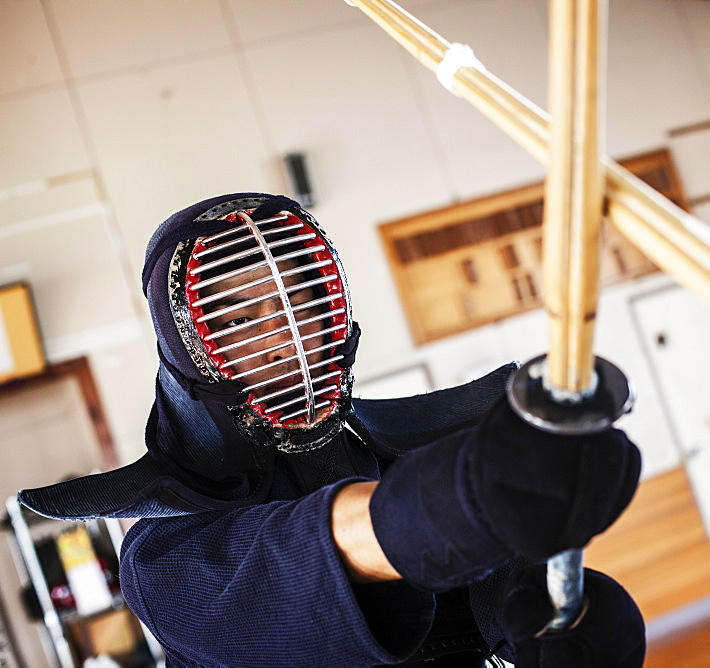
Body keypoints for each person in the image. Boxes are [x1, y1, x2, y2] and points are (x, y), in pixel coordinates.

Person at [19, 193, 646, 667]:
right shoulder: (168, 561)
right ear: (187, 348)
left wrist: (564, 621)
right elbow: (308, 550)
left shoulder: (412, 453)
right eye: (238, 316)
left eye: (297, 300)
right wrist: (449, 504)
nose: (281, 333)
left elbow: (507, 606)